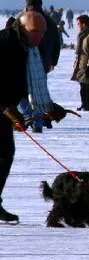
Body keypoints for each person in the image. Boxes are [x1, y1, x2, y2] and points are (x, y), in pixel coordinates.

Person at [0, 13, 39, 224]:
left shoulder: (23, 47)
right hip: (2, 107)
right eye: (39, 34)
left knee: (6, 153)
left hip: (6, 108)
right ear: (27, 30)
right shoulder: (4, 43)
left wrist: (48, 108)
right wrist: (6, 108)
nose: (41, 39)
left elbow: (19, 82)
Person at [20, 12, 53, 133]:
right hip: (38, 67)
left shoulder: (22, 24)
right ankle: (35, 120)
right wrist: (51, 60)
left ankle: (31, 118)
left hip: (28, 68)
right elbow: (53, 44)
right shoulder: (47, 21)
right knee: (37, 93)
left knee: (24, 95)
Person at [71, 14, 89, 111]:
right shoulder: (82, 35)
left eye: (79, 23)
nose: (77, 25)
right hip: (81, 63)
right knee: (82, 85)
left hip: (87, 63)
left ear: (84, 24)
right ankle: (84, 104)